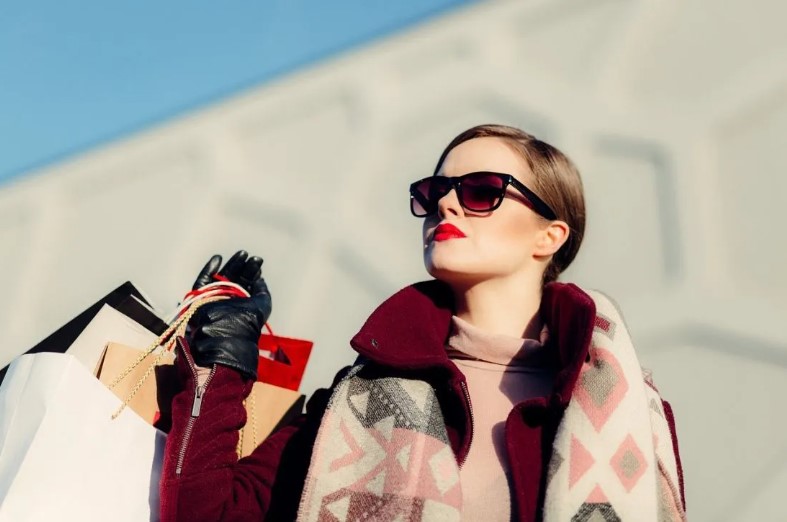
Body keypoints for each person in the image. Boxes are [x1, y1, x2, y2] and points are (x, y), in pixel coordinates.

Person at [159, 124, 686, 522]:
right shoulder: (355, 401)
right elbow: (206, 514)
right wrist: (220, 362)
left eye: (482, 190)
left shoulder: (625, 411)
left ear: (549, 236)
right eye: (435, 192)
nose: (448, 203)